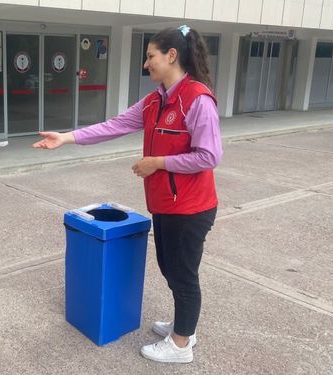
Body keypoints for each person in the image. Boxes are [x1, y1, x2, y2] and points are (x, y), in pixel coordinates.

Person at [33, 25, 221, 364]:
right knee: (170, 267)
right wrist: (67, 137)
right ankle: (184, 326)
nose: (146, 63)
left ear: (171, 56)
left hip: (191, 207)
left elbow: (209, 156)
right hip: (166, 204)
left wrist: (157, 163)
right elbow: (114, 125)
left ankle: (181, 344)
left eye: (150, 56)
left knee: (182, 272)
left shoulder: (197, 99)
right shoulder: (155, 100)